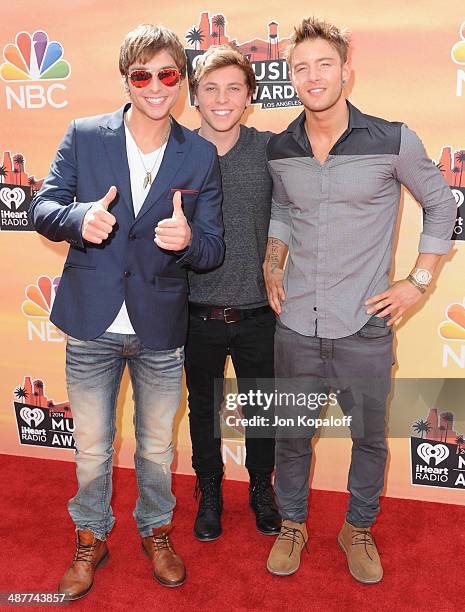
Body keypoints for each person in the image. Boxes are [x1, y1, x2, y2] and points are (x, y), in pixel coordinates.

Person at [31, 24, 224, 598]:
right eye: (143, 75)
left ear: (182, 82)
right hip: (92, 322)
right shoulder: (85, 136)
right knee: (91, 445)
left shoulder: (200, 154)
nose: (156, 86)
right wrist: (77, 218)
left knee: (158, 447)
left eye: (168, 74)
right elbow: (42, 205)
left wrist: (186, 239)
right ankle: (91, 535)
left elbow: (212, 248)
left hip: (161, 327)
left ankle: (156, 531)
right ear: (127, 81)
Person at [263, 17, 456, 582]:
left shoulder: (393, 138)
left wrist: (418, 282)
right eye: (300, 67)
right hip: (295, 323)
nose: (312, 76)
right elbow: (281, 209)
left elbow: (442, 205)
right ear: (290, 76)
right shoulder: (280, 147)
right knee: (291, 439)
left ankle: (358, 528)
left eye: (324, 64)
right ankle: (293, 524)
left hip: (366, 327)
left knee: (369, 439)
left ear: (347, 70)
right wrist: (273, 262)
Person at [185, 45, 281, 541]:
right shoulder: (176, 151)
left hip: (259, 311)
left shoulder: (269, 149)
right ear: (194, 95)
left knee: (262, 405)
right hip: (194, 311)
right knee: (202, 406)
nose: (222, 99)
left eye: (234, 88)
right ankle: (211, 489)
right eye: (210, 88)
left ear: (250, 96)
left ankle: (262, 490)